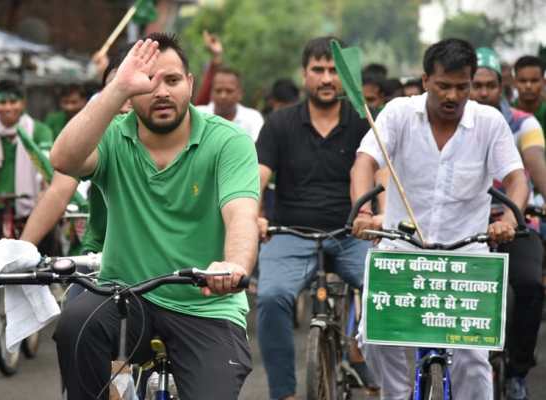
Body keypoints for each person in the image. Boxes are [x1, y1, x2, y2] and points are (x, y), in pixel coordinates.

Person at [50, 33, 259, 400]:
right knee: (74, 326)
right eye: (148, 82)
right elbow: (63, 160)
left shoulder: (228, 141)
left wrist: (234, 265)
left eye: (173, 80)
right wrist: (116, 89)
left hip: (206, 305)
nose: (161, 91)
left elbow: (241, 213)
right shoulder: (112, 138)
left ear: (190, 84)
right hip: (126, 296)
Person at [351, 38, 528, 400]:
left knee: (473, 361)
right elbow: (365, 162)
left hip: (468, 257)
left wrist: (511, 216)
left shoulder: (489, 123)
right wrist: (364, 212)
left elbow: (516, 179)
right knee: (374, 337)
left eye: (462, 87)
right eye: (443, 86)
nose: (452, 96)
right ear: (426, 79)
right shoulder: (399, 113)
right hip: (401, 249)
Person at [255, 36, 374, 400]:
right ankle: (284, 393)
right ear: (304, 74)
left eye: (334, 70)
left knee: (383, 289)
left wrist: (373, 215)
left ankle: (381, 372)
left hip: (352, 232)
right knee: (271, 296)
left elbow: (379, 175)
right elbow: (257, 177)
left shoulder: (363, 120)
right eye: (318, 70)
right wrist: (255, 215)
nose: (327, 78)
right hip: (290, 233)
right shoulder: (279, 123)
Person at [471, 47, 546, 400]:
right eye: (476, 85)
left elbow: (534, 163)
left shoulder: (522, 123)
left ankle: (516, 370)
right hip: (465, 227)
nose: (482, 93)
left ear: (503, 86)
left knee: (530, 286)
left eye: (490, 85)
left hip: (515, 223)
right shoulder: (453, 124)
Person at [20, 47, 133, 257]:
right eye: (115, 89)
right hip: (102, 255)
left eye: (129, 88)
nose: (123, 98)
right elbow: (59, 190)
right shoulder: (101, 132)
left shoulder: (192, 134)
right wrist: (20, 250)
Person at [0, 79, 54, 335]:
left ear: (22, 103)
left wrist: (44, 192)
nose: (7, 107)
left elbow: (46, 164)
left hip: (31, 201)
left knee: (42, 246)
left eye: (12, 101)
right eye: (2, 102)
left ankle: (46, 294)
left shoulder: (39, 131)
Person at [195, 65, 264, 141]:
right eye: (218, 90)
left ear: (240, 94)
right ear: (211, 93)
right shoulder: (198, 115)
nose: (223, 96)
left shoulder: (253, 118)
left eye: (229, 91)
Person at [513, 55, 546, 130]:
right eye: (523, 81)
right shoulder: (506, 114)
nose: (528, 86)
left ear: (544, 82)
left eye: (534, 80)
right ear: (514, 82)